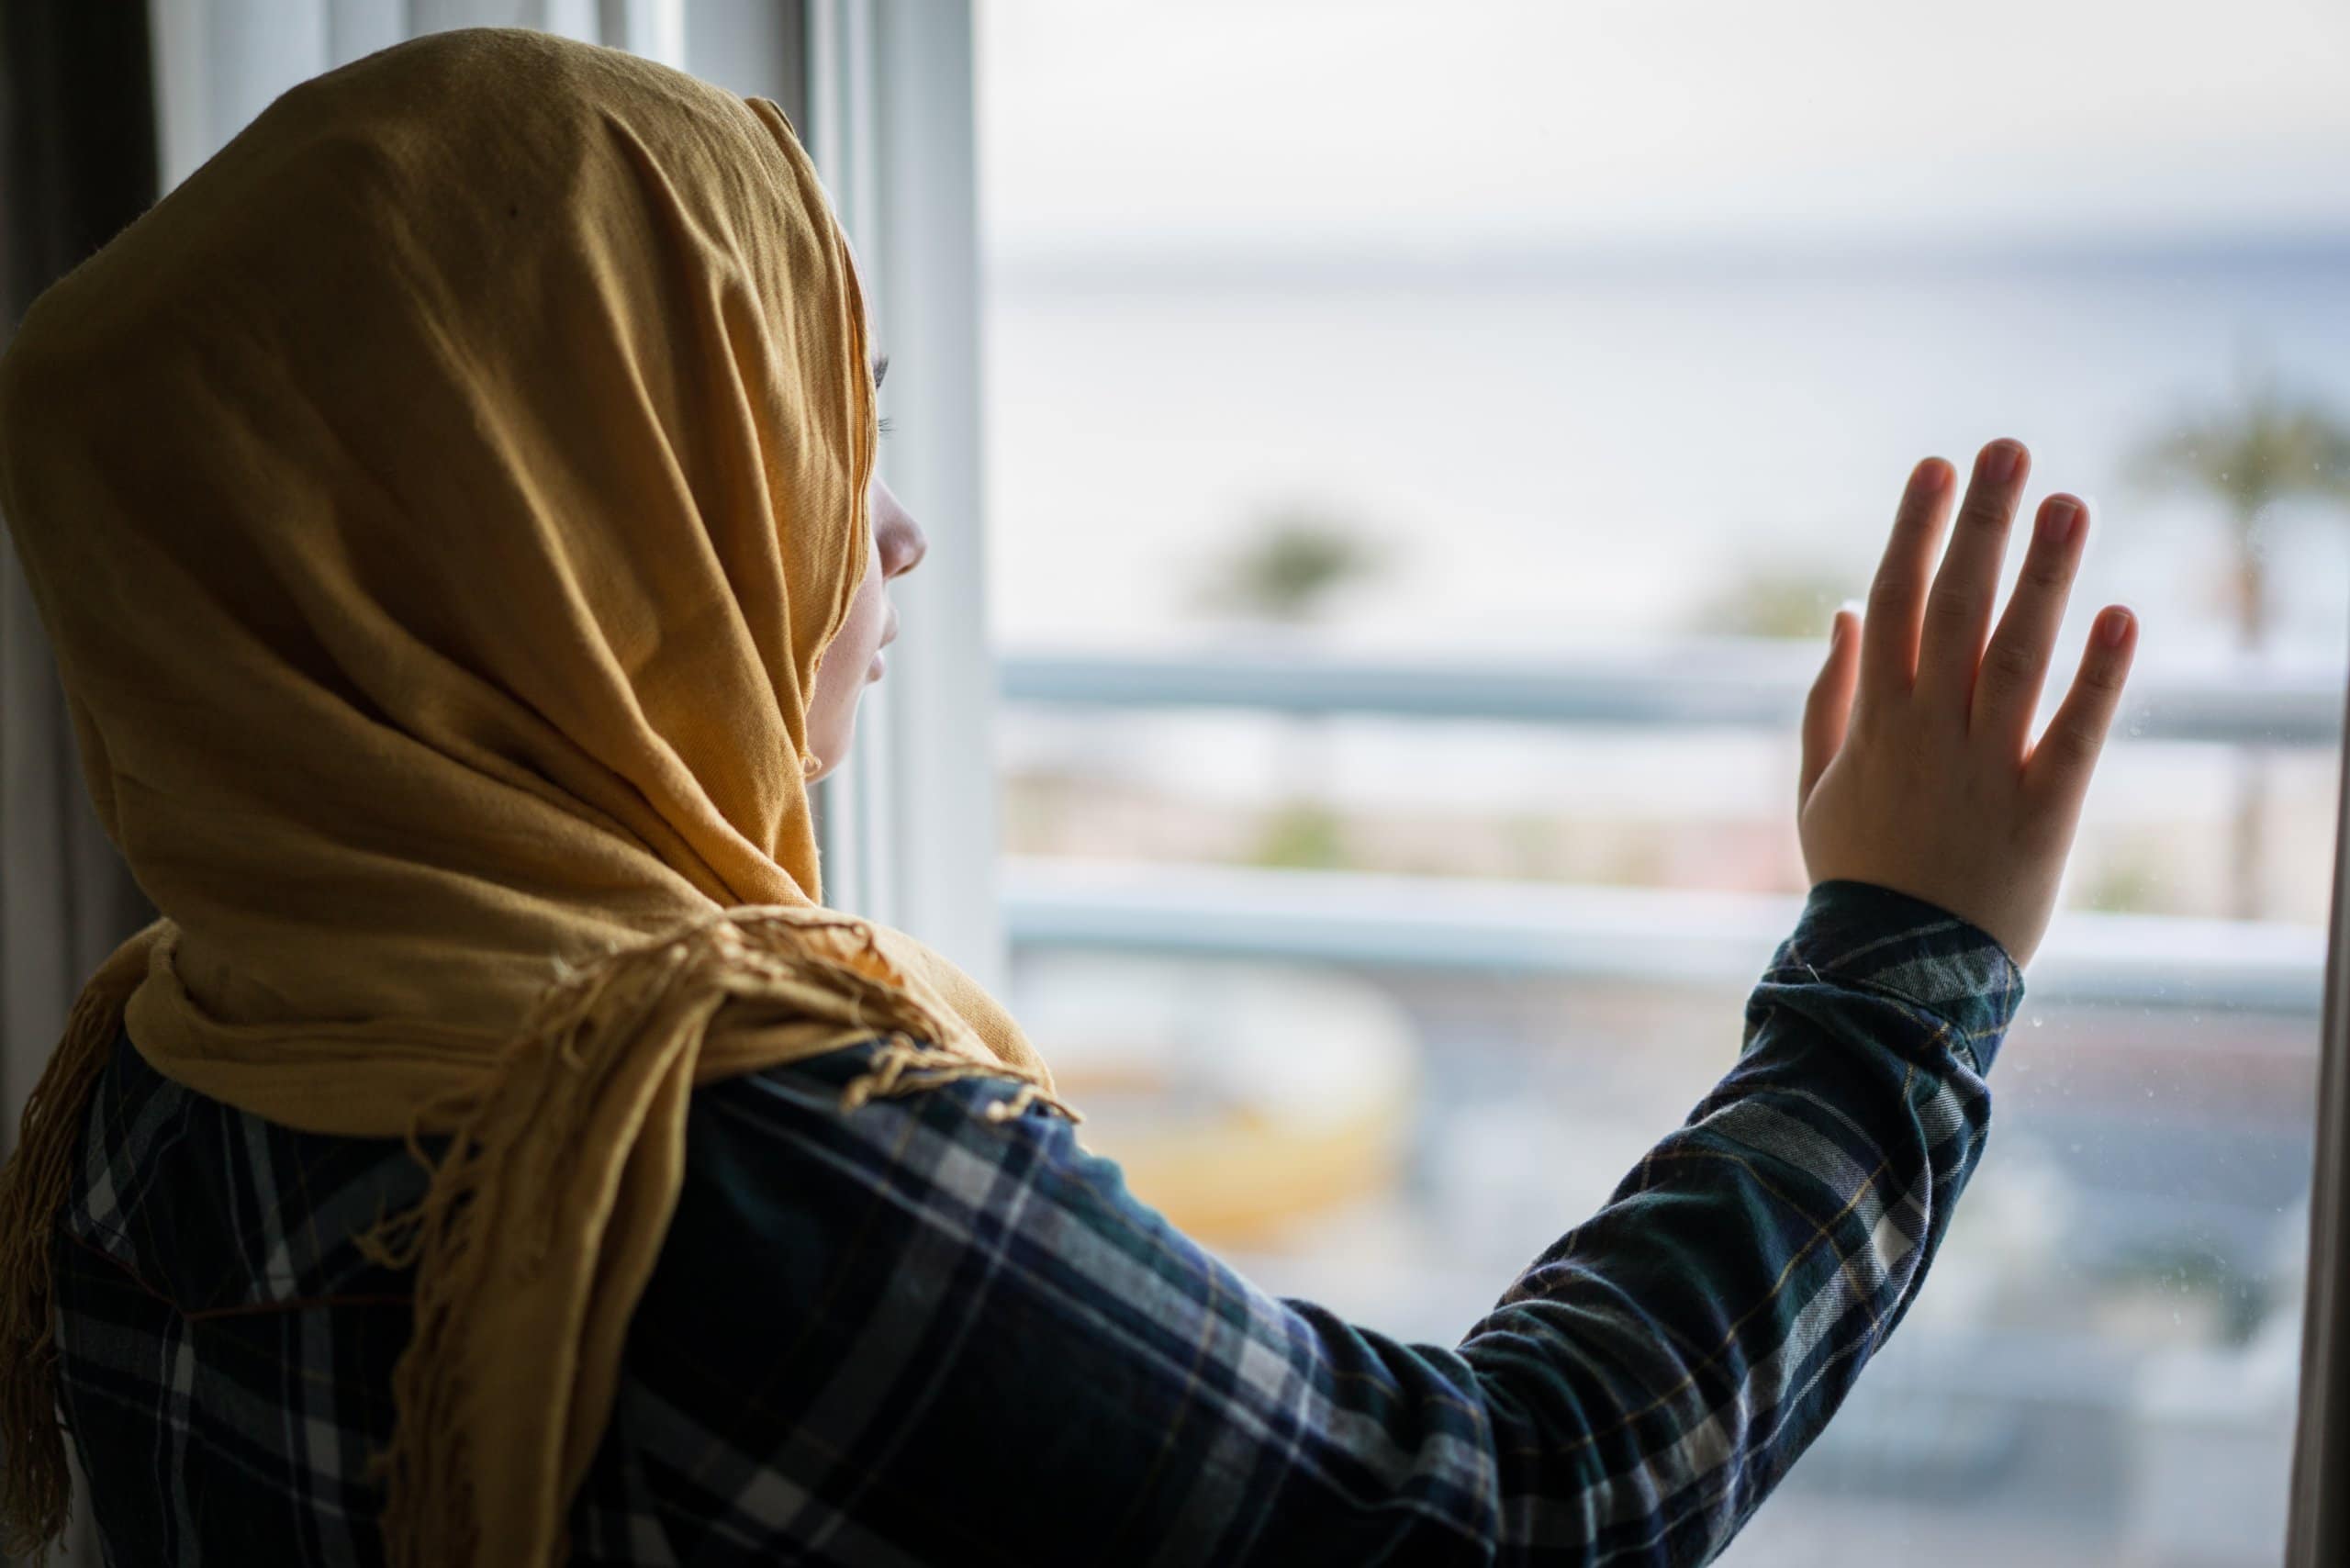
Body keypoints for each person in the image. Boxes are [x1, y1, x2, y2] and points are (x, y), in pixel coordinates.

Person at [0, 27, 2137, 1568]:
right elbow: (1511, 1509)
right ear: (549, 518)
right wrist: (1899, 959)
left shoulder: (157, 1065)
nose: (893, 533)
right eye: (812, 432)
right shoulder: (730, 1165)